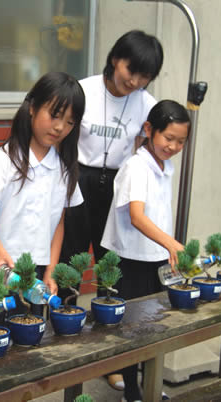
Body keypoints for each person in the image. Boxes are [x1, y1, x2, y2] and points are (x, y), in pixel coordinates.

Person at [59, 29, 164, 392]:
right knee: (70, 264)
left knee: (112, 269)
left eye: (143, 76)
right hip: (80, 180)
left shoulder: (146, 103)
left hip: (118, 186)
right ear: (115, 58)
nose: (133, 81)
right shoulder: (83, 91)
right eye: (129, 70)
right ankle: (65, 348)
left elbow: (144, 150)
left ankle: (112, 360)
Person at [0, 71, 85, 315]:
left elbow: (57, 224)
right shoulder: (3, 160)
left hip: (32, 271)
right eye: (54, 115)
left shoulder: (65, 170)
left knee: (26, 340)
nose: (60, 127)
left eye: (69, 122)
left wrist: (50, 269)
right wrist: (2, 256)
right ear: (33, 107)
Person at [101, 100, 191, 402]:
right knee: (131, 327)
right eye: (169, 138)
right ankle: (133, 390)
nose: (173, 146)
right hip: (130, 258)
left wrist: (167, 248)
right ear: (150, 130)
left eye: (180, 141)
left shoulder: (166, 166)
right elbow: (137, 216)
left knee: (153, 323)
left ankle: (148, 383)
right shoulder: (135, 167)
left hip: (155, 257)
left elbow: (161, 214)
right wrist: (171, 243)